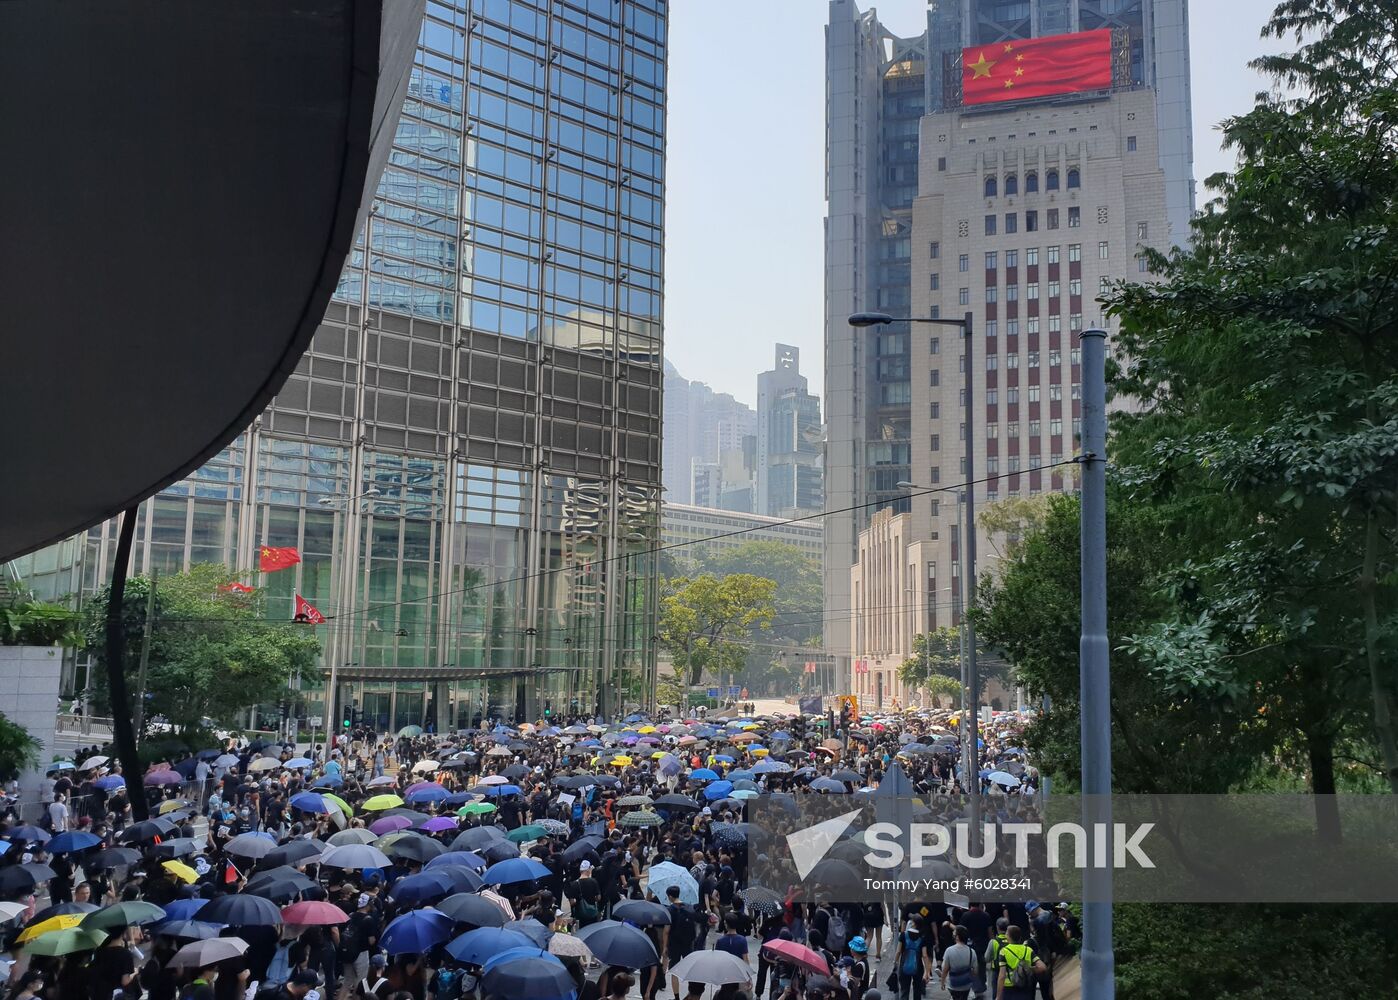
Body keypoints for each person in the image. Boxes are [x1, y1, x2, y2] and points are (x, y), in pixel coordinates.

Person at [993, 926, 1045, 1000]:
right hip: (1025, 986)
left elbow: (1002, 976)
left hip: (1009, 988)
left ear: (1008, 937)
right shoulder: (1028, 950)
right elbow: (1042, 968)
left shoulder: (1004, 952)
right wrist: (1027, 969)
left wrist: (998, 996)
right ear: (1020, 937)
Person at [893, 917, 931, 1000]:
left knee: (904, 991)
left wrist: (895, 962)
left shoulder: (903, 935)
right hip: (918, 968)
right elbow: (925, 955)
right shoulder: (922, 938)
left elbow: (898, 951)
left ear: (913, 923)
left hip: (904, 967)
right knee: (917, 991)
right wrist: (927, 972)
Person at [939, 925, 978, 1000]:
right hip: (966, 984)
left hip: (953, 984)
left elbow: (945, 969)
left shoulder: (949, 950)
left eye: (954, 934)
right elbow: (975, 971)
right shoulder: (971, 951)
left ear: (957, 937)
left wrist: (942, 982)